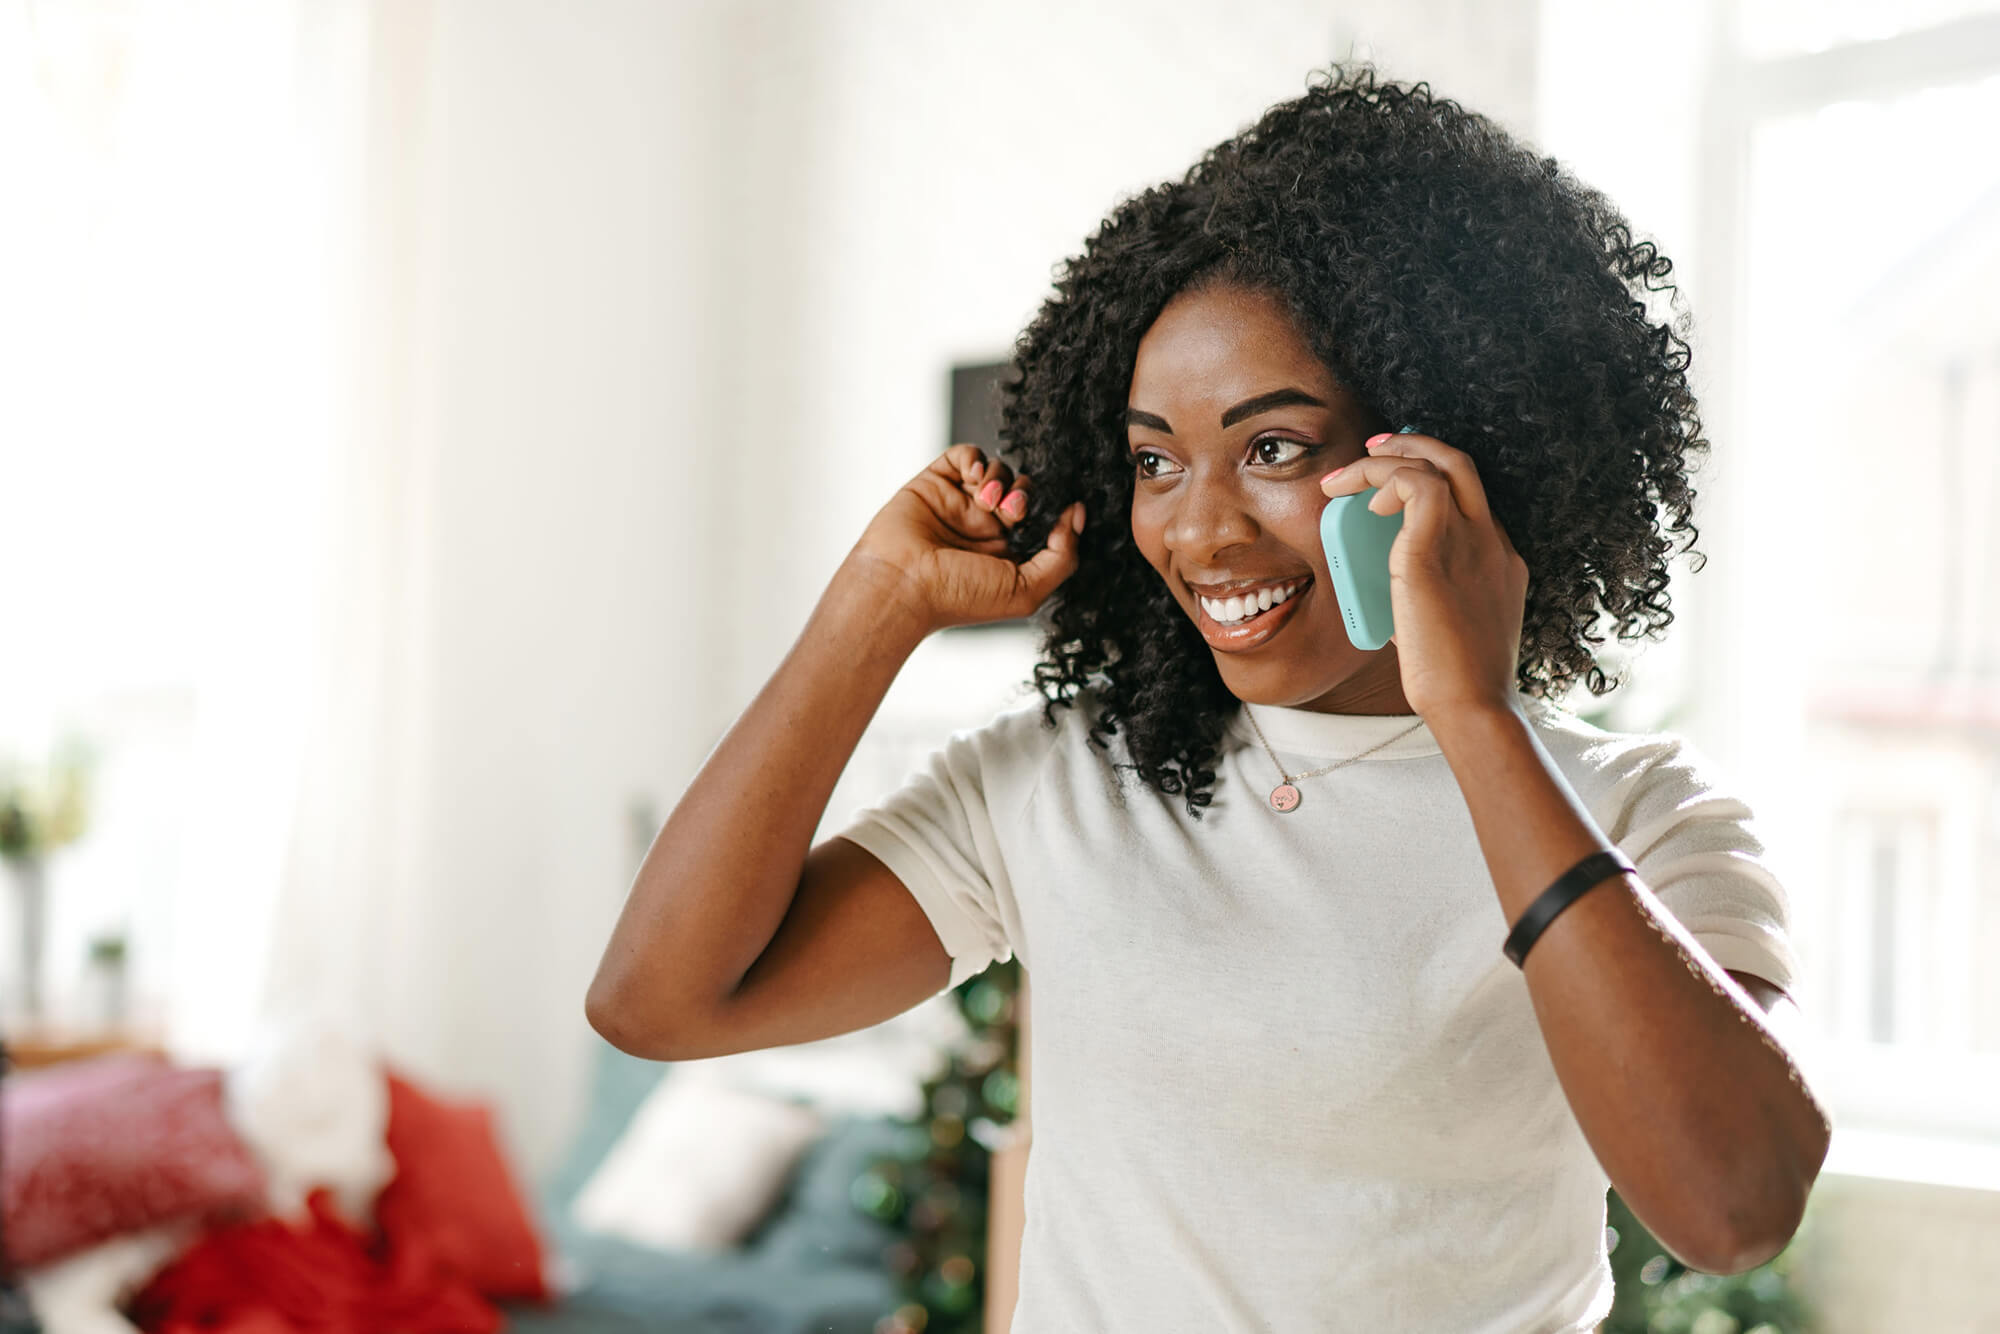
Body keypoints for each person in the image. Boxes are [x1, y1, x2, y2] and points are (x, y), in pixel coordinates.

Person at [586, 65, 1832, 1332]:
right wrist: (871, 608)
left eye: (1273, 447)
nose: (1201, 526)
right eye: (1153, 461)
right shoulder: (1061, 780)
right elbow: (660, 1001)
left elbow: (1730, 1205)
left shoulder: (1640, 815)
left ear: (1445, 446)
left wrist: (1473, 718)